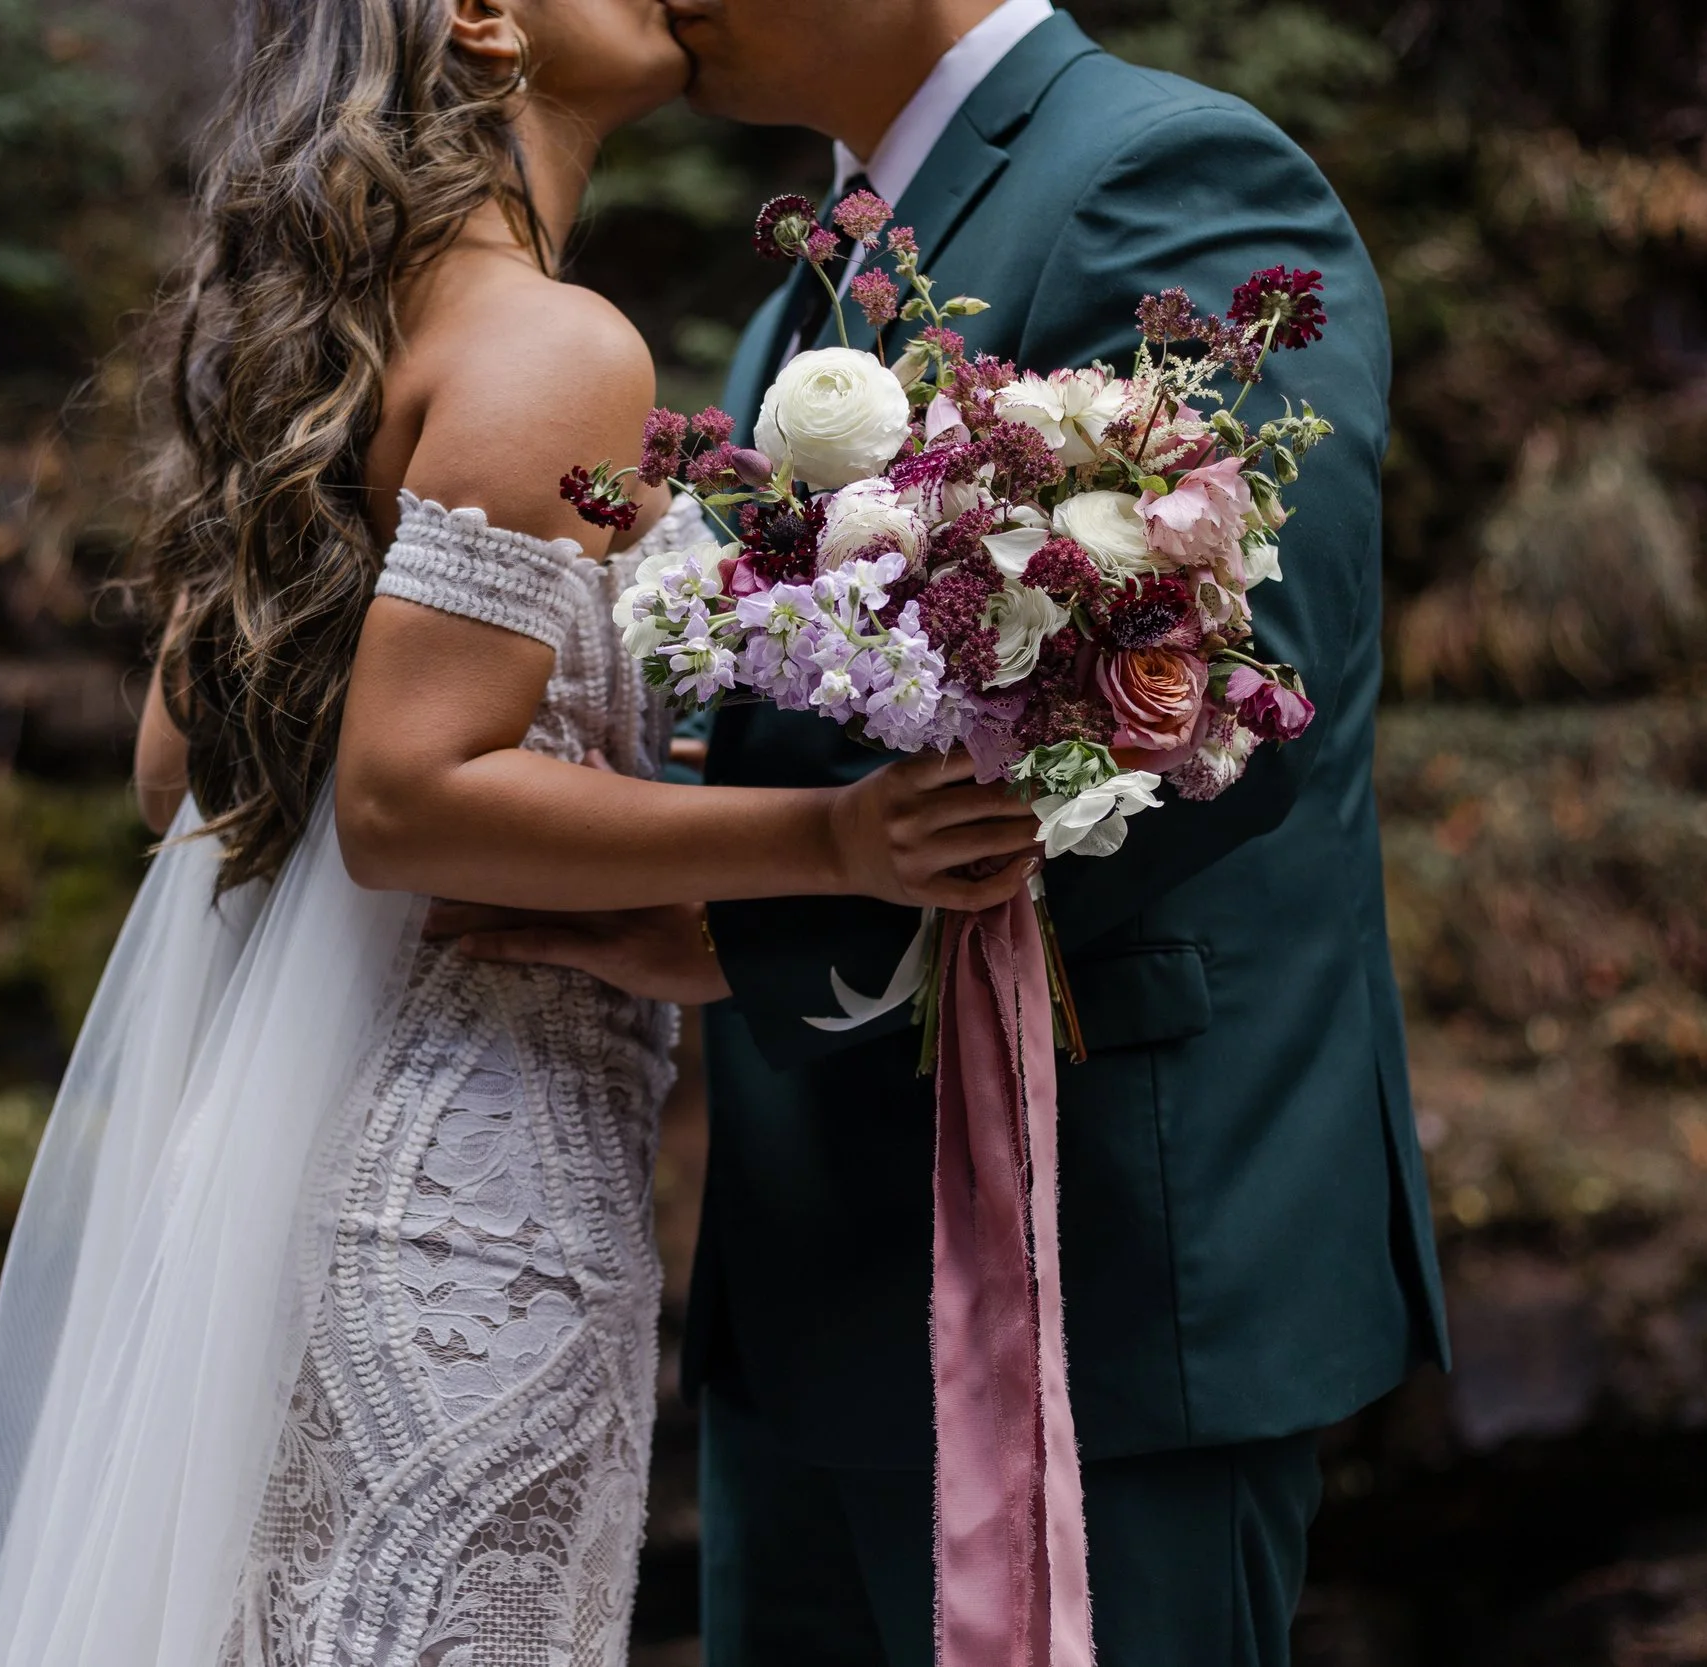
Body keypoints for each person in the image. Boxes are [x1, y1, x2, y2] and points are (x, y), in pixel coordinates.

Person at [0, 3, 1047, 1665]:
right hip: (470, 1195)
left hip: (320, 1145)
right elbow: (402, 798)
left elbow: (184, 773)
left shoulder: (339, 345)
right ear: (487, 20)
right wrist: (843, 841)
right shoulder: (557, 348)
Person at [463, 3, 1452, 1662]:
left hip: (1106, 1281)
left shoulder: (1172, 179)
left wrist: (748, 926)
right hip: (808, 1285)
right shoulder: (820, 269)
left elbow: (1235, 703)